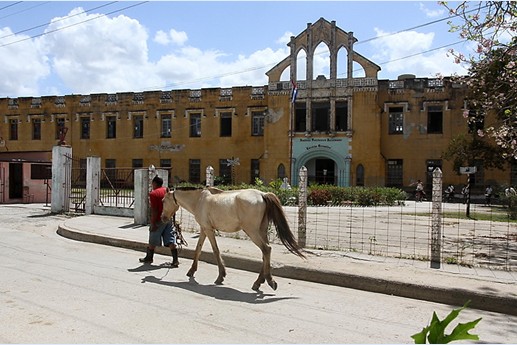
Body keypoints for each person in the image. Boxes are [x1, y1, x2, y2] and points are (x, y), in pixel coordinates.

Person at [139, 175, 179, 267]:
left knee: (153, 239)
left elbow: (154, 210)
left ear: (154, 183)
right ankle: (175, 260)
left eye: (152, 183)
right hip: (168, 218)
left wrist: (153, 223)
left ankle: (149, 258)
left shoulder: (153, 194)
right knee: (171, 239)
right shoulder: (167, 191)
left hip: (159, 219)